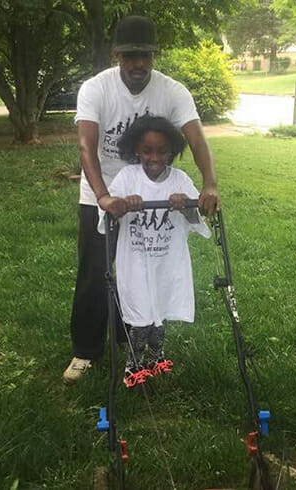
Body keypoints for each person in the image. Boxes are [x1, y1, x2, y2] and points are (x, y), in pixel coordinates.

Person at [63, 15, 220, 385]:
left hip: (151, 196)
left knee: (143, 265)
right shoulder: (96, 89)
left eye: (146, 55)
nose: (139, 64)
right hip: (103, 195)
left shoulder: (172, 91)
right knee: (94, 272)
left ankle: (128, 338)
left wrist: (209, 184)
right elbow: (86, 144)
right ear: (117, 54)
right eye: (131, 55)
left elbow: (197, 140)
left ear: (154, 55)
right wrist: (102, 196)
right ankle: (85, 350)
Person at [98, 115, 211, 388]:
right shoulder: (127, 178)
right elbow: (107, 218)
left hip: (167, 262)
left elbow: (198, 222)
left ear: (171, 151)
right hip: (134, 261)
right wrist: (121, 203)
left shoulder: (180, 180)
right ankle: (134, 364)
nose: (154, 157)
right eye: (147, 150)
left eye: (162, 151)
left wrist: (186, 205)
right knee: (140, 313)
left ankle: (157, 357)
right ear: (136, 149)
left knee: (159, 308)